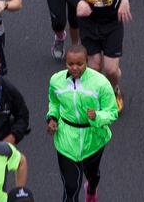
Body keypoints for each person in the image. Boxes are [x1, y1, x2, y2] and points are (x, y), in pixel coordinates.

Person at [46, 43, 118, 202]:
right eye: (70, 64)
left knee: (92, 175)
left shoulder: (100, 83)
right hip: (66, 140)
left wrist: (97, 116)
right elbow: (55, 102)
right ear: (66, 62)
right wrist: (52, 118)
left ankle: (91, 189)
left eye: (79, 64)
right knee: (71, 188)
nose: (75, 68)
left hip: (93, 139)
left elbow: (112, 112)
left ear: (87, 62)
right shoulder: (56, 80)